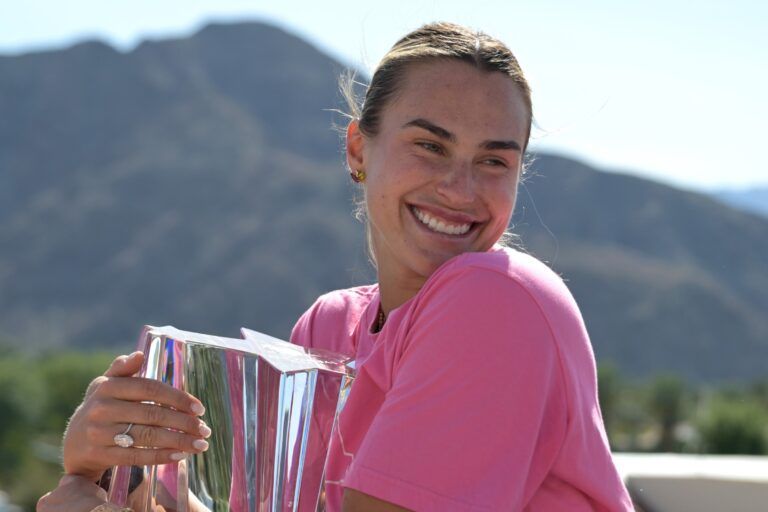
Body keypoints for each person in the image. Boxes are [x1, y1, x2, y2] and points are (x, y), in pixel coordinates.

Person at [38, 22, 633, 512]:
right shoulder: (327, 327)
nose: (460, 188)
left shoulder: (498, 299)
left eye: (494, 161)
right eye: (430, 145)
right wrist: (104, 464)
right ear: (357, 150)